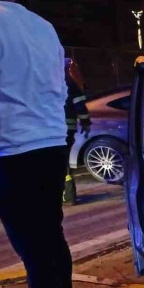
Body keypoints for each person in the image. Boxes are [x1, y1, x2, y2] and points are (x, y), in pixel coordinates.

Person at [0, 0, 78, 288]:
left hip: (8, 148)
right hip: (50, 143)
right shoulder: (43, 26)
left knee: (33, 245)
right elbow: (60, 86)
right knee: (50, 237)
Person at [62, 58, 91, 205]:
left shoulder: (46, 84)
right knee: (65, 162)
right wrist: (85, 123)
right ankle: (69, 195)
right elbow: (80, 106)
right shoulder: (70, 84)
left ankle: (65, 195)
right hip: (68, 130)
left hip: (49, 131)